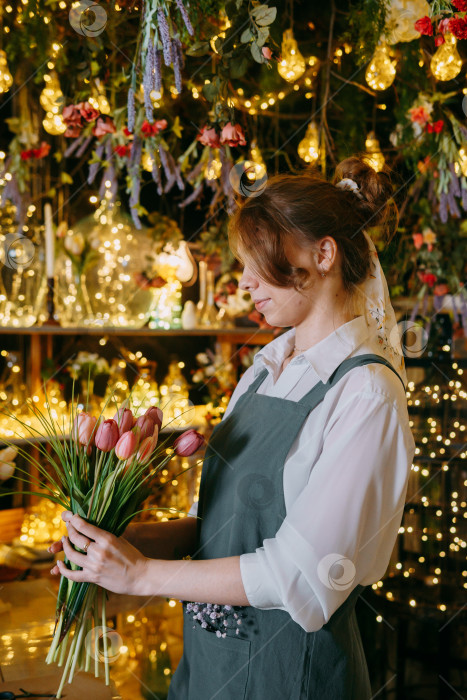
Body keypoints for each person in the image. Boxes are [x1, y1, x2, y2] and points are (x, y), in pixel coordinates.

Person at [49, 156, 416, 699]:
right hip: (208, 669)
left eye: (257, 262)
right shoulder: (264, 370)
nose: (243, 282)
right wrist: (117, 543)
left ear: (324, 254)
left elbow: (304, 579)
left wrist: (141, 575)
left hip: (289, 678)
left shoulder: (366, 396)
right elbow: (217, 528)